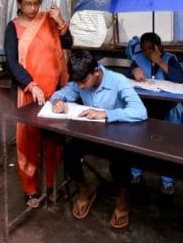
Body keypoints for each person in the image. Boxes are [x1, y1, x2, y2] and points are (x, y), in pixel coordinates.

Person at [50, 50, 147, 229]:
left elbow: (140, 112)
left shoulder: (118, 81)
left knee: (119, 162)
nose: (80, 86)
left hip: (116, 133)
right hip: (91, 133)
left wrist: (106, 113)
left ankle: (123, 199)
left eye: (83, 82)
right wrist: (57, 101)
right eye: (77, 82)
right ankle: (85, 190)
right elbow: (60, 94)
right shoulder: (80, 80)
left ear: (96, 72)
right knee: (69, 156)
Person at [4, 0, 72, 208]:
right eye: (27, 4)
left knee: (53, 138)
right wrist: (31, 85)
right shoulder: (12, 27)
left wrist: (60, 21)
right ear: (19, 5)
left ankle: (51, 184)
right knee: (28, 139)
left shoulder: (48, 19)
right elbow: (11, 62)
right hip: (29, 91)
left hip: (53, 91)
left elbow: (68, 43)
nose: (32, 8)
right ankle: (30, 189)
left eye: (36, 3)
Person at [128, 32, 183, 194]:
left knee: (168, 144)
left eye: (150, 48)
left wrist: (160, 62)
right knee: (137, 139)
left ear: (159, 47)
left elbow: (179, 79)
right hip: (146, 106)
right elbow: (131, 71)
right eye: (143, 49)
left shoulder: (170, 58)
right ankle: (136, 173)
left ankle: (167, 180)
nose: (147, 52)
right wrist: (135, 70)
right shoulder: (139, 58)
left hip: (168, 107)